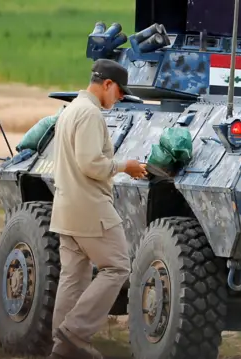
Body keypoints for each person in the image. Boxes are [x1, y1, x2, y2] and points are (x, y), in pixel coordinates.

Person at [48, 58, 147, 359]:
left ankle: (62, 346)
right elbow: (91, 164)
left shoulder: (70, 111)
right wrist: (125, 166)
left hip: (66, 207)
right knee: (118, 266)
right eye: (119, 93)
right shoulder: (90, 114)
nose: (119, 100)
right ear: (107, 85)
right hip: (90, 207)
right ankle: (75, 333)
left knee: (73, 277)